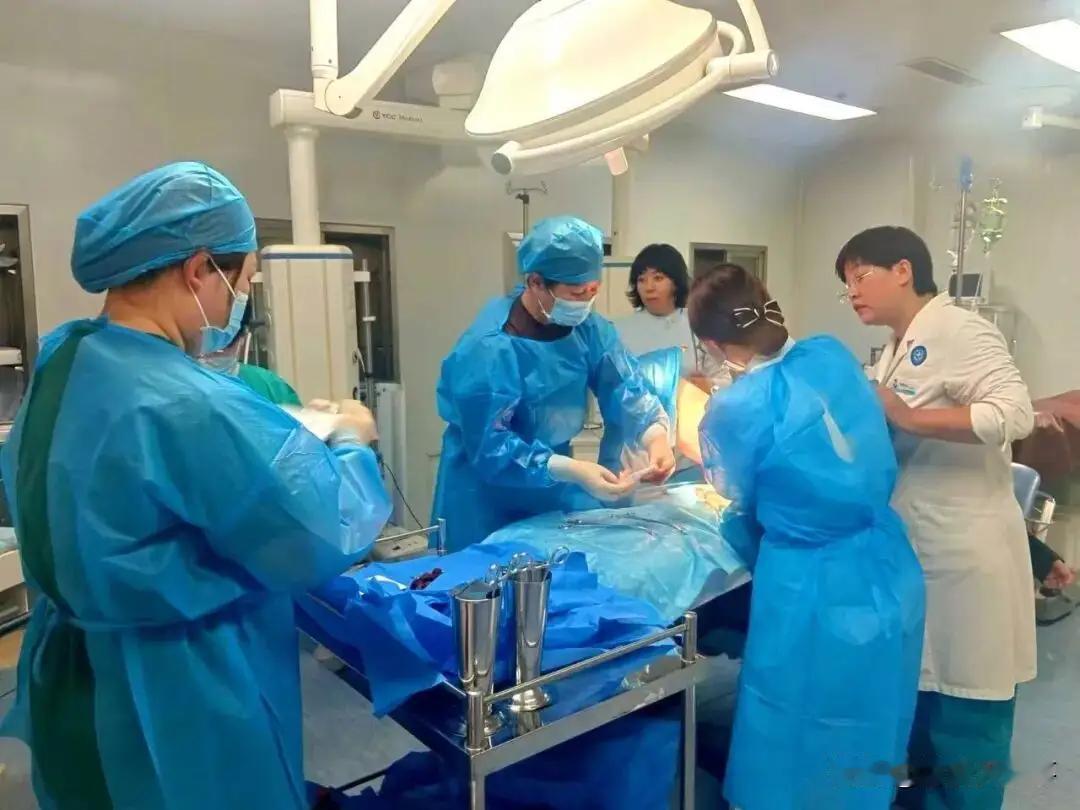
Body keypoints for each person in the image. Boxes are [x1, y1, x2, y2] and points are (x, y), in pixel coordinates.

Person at [0, 162, 392, 810]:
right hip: (172, 696)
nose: (240, 303)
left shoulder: (65, 357)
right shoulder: (185, 401)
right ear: (200, 269)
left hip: (73, 678)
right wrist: (353, 439)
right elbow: (322, 527)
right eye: (243, 282)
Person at [685, 264, 926, 810]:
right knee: (869, 705)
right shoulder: (829, 354)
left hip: (810, 587)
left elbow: (734, 487)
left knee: (793, 717)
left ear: (714, 344)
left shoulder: (741, 405)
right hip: (888, 563)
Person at [836, 226, 1035, 810]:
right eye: (846, 284)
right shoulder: (897, 347)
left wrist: (907, 417)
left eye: (861, 276)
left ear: (903, 270)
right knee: (923, 711)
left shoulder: (959, 330)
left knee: (967, 716)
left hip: (965, 559)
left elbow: (1014, 413)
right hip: (920, 553)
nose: (852, 292)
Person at [432, 215, 675, 551]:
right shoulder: (489, 348)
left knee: (553, 572)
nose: (584, 301)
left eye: (593, 290)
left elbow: (623, 386)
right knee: (483, 577)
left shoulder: (589, 329)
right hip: (482, 495)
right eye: (576, 293)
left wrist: (655, 437)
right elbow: (490, 447)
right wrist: (571, 470)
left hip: (549, 482)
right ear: (535, 282)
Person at [614, 243, 729, 391]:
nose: (649, 287)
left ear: (676, 283)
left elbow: (726, 378)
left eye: (658, 278)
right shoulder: (620, 330)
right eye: (641, 280)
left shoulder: (697, 324)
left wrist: (709, 384)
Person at [199, 299, 302, 406]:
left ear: (243, 336)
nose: (213, 351)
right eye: (203, 341)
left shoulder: (272, 389)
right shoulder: (186, 392)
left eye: (226, 341)